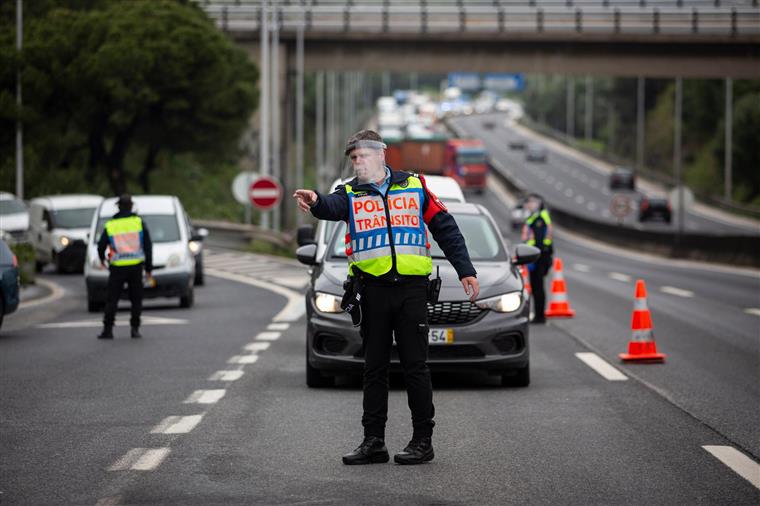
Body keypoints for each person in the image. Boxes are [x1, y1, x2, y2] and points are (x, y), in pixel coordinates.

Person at [293, 129, 479, 466]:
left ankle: (423, 441)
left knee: (415, 367)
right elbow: (330, 206)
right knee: (374, 368)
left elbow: (446, 228)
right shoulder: (350, 192)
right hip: (372, 291)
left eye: (363, 155)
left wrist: (465, 270)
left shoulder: (415, 186)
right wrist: (317, 201)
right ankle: (373, 441)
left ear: (381, 154)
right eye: (353, 158)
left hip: (411, 291)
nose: (358, 162)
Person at [96, 194, 153, 339]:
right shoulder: (139, 222)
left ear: (118, 206)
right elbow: (148, 246)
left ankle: (108, 330)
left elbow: (101, 245)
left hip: (117, 267)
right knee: (136, 299)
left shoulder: (111, 224)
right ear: (131, 206)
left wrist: (102, 260)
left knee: (112, 299)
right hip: (135, 266)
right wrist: (149, 268)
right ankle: (135, 329)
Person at [521, 194, 553, 324]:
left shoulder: (539, 218)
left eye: (530, 202)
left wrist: (533, 257)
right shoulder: (536, 217)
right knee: (536, 287)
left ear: (537, 204)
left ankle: (540, 316)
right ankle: (539, 315)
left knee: (538, 287)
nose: (528, 205)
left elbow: (539, 241)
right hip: (538, 256)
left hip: (538, 257)